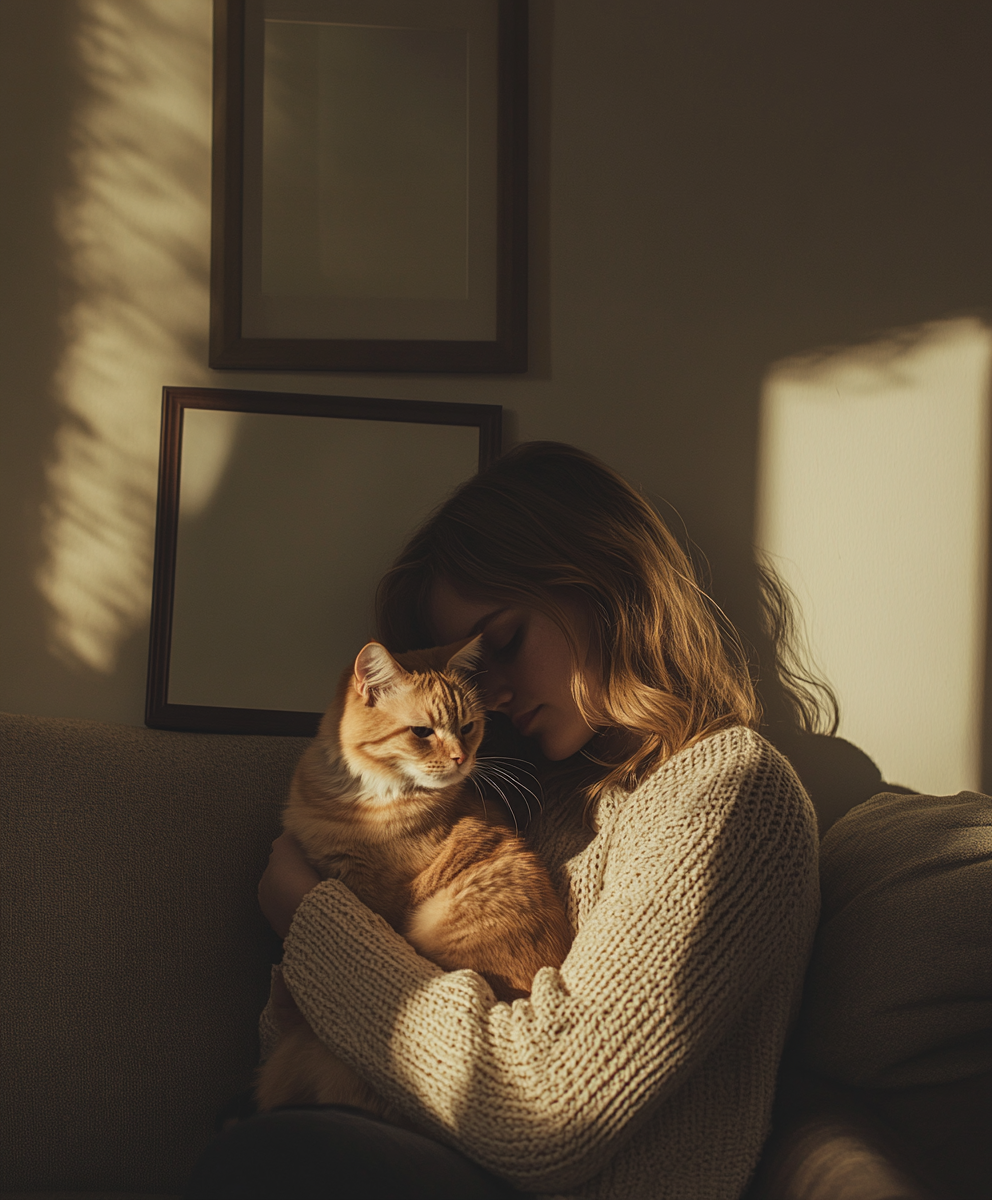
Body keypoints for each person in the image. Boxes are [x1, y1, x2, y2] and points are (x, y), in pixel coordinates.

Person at [185, 442, 821, 1200]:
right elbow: (309, 1051)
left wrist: (308, 918)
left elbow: (549, 1116)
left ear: (605, 583)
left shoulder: (730, 795)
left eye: (508, 642)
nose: (492, 695)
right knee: (265, 1144)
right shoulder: (527, 792)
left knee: (270, 1163)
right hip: (414, 1147)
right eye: (474, 669)